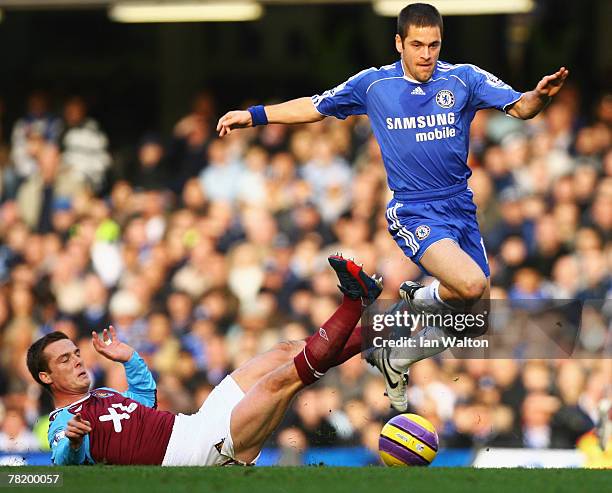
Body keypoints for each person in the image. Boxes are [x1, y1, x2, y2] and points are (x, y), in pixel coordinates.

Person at [216, 2, 569, 411]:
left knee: (474, 318)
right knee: (470, 287)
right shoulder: (374, 85)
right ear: (398, 43)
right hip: (416, 211)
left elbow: (521, 107)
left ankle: (396, 358)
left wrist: (539, 97)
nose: (426, 54)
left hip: (461, 209)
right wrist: (253, 116)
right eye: (417, 44)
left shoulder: (464, 79)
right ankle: (419, 299)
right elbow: (315, 106)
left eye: (434, 45)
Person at [26, 255, 382, 466]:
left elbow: (145, 398)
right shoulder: (63, 423)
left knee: (284, 351)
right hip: (196, 455)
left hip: (196, 424)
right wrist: (72, 443)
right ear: (45, 377)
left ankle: (382, 331)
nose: (77, 361)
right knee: (281, 381)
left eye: (75, 353)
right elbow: (61, 463)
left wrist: (130, 357)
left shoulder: (103, 394)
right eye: (64, 360)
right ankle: (355, 302)